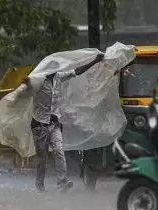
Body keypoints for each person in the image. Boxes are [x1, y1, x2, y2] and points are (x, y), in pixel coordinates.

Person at [27, 53, 105, 192]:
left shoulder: (59, 77)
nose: (55, 70)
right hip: (39, 125)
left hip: (54, 125)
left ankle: (62, 183)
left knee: (59, 151)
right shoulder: (38, 80)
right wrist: (25, 82)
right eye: (52, 67)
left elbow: (77, 71)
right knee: (42, 158)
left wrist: (94, 61)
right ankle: (40, 185)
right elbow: (26, 83)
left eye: (56, 67)